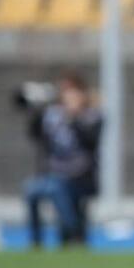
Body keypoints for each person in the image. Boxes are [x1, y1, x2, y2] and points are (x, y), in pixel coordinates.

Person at [21, 72, 102, 247]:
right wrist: (36, 111)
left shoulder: (92, 116)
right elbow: (34, 135)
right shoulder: (52, 115)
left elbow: (91, 142)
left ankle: (73, 237)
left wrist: (73, 117)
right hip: (53, 175)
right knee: (30, 190)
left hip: (80, 177)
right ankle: (36, 242)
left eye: (72, 91)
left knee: (59, 189)